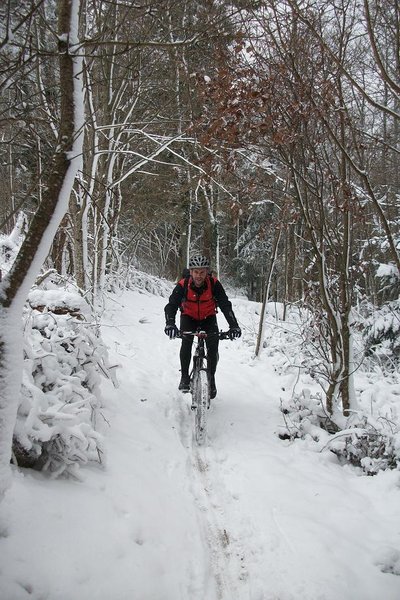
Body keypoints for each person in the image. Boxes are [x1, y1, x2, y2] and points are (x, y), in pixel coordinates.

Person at [164, 254, 241, 399]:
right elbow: (171, 305)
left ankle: (211, 379)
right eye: (195, 272)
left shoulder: (214, 284)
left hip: (208, 317)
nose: (198, 276)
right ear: (191, 272)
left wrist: (234, 325)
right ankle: (185, 377)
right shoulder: (183, 284)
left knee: (213, 346)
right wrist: (170, 324)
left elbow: (225, 304)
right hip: (188, 317)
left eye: (202, 272)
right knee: (186, 342)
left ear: (207, 272)